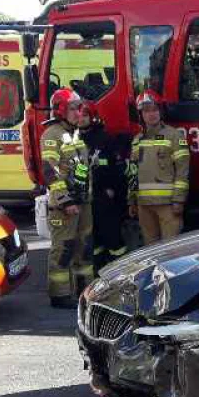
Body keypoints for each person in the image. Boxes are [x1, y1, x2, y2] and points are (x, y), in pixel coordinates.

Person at [39, 88, 94, 308]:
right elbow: (49, 170)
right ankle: (60, 295)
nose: (78, 112)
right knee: (63, 249)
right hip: (65, 206)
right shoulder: (52, 134)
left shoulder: (76, 134)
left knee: (84, 247)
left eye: (79, 108)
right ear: (61, 110)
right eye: (73, 108)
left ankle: (84, 292)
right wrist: (66, 201)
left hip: (83, 202)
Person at [128, 89, 190, 243]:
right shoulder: (136, 141)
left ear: (161, 111)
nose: (152, 114)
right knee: (151, 250)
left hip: (167, 206)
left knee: (171, 250)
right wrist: (132, 201)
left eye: (155, 109)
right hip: (144, 206)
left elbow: (183, 172)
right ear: (140, 114)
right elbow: (132, 174)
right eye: (147, 111)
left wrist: (179, 201)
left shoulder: (174, 136)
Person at [81, 101, 130, 273]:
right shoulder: (73, 138)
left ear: (92, 117)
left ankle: (121, 273)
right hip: (85, 199)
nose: (81, 118)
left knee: (113, 238)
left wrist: (112, 190)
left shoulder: (104, 139)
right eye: (78, 114)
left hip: (104, 197)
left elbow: (116, 168)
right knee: (94, 240)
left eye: (85, 115)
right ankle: (98, 272)